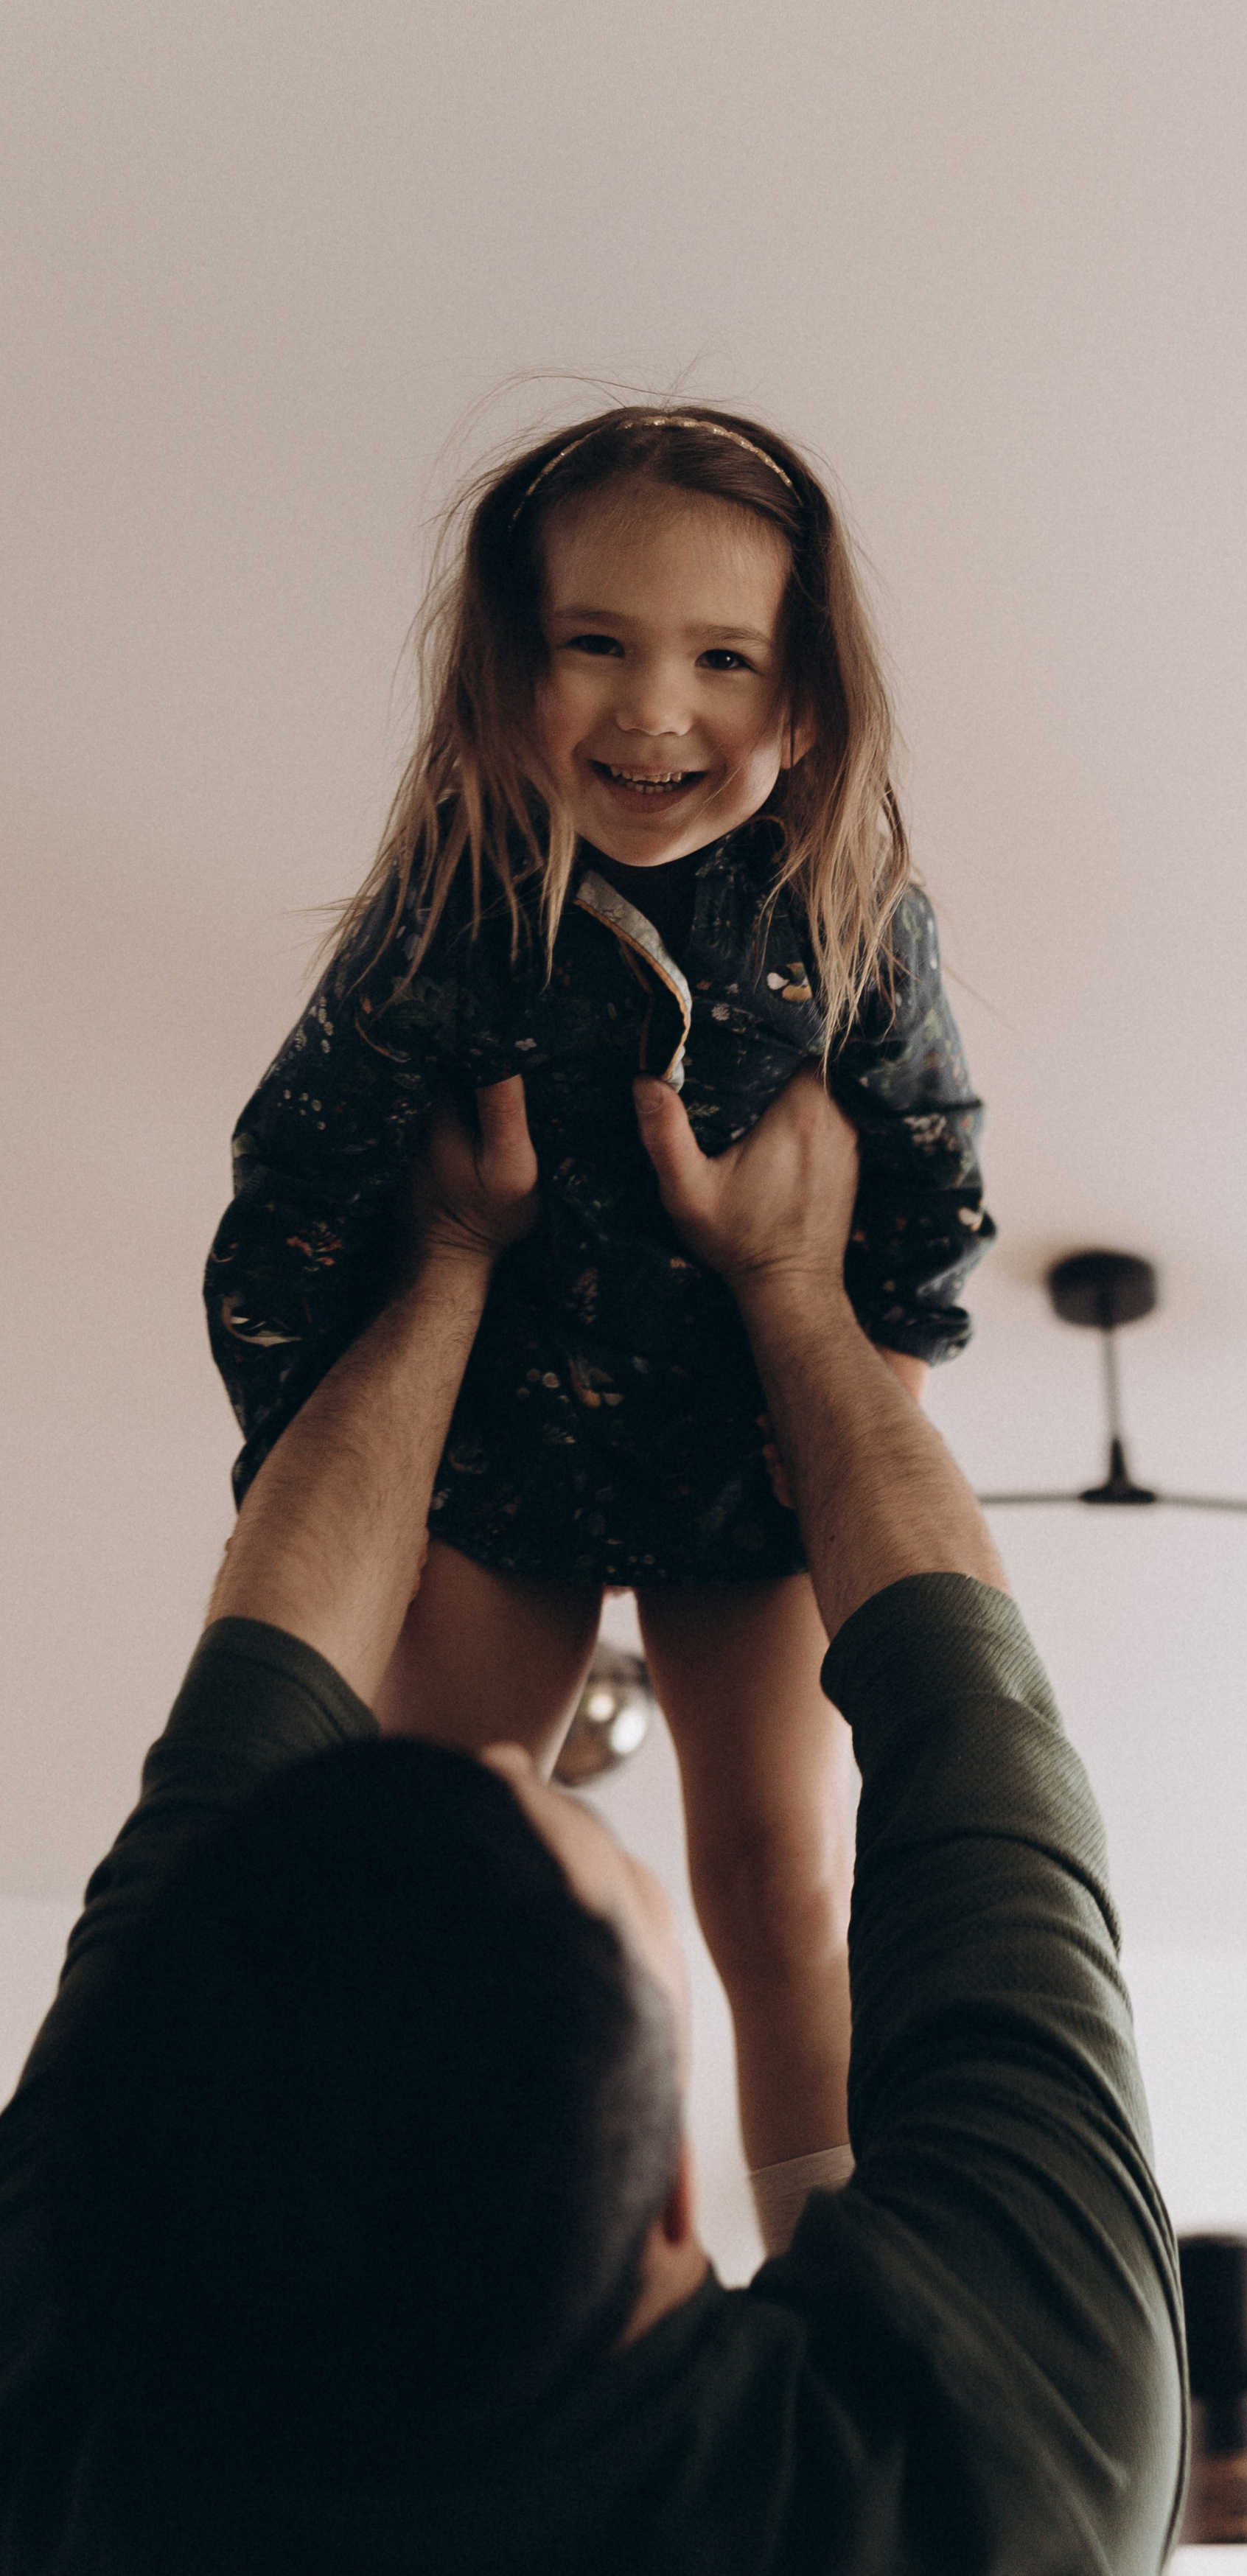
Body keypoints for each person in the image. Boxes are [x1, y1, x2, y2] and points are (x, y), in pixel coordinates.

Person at [0, 1067, 1185, 2573]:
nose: (516, 1762)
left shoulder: (59, 2419)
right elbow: (967, 1709)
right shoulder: (1014, 2465)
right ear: (676, 2195)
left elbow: (247, 1711)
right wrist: (792, 1288)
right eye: (573, 1832)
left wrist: (442, 1266)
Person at [203, 403, 993, 2174]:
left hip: (744, 1461)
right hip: (495, 1459)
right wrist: (324, 1474)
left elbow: (932, 1174)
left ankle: (816, 2268)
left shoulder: (852, 913)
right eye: (594, 646)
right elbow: (290, 1194)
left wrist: (879, 1395)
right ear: (507, 668)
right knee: (443, 1880)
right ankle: (447, 2266)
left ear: (804, 700)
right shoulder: (443, 914)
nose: (653, 710)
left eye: (722, 658)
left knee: (779, 1886)